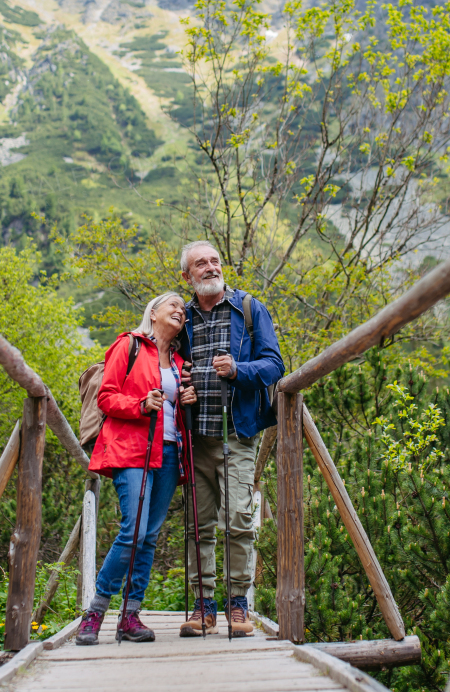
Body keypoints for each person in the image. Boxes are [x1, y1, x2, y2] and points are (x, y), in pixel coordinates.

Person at [76, 293, 197, 645]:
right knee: (133, 531)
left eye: (183, 310)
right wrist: (140, 404)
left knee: (150, 536)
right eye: (172, 305)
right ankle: (95, 611)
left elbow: (177, 407)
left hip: (171, 452)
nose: (180, 310)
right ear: (153, 312)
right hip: (132, 449)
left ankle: (130, 616)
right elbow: (106, 397)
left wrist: (189, 398)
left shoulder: (178, 361)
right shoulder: (128, 345)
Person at [177, 241, 284, 638]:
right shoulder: (181, 316)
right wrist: (180, 394)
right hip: (195, 436)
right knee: (197, 526)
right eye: (200, 264)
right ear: (186, 275)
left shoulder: (249, 309)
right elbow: (165, 365)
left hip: (237, 434)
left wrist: (239, 369)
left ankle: (238, 607)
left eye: (215, 261)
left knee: (238, 518)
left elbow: (275, 364)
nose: (210, 268)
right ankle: (203, 607)